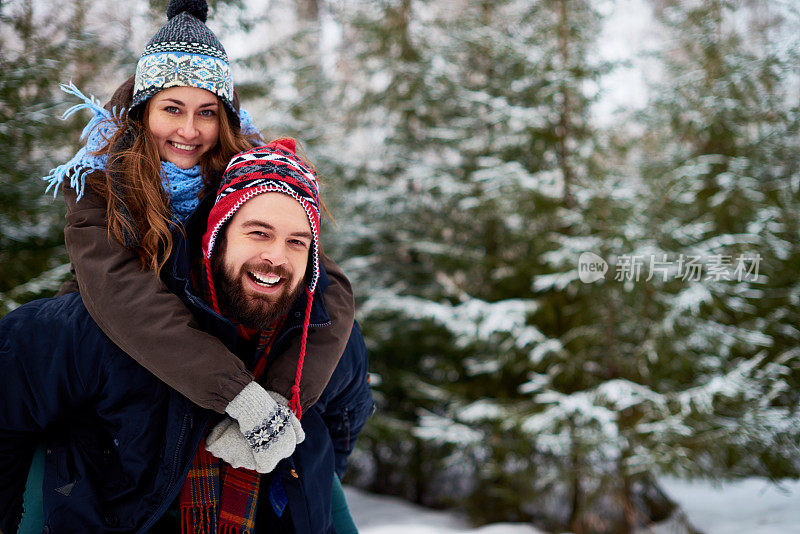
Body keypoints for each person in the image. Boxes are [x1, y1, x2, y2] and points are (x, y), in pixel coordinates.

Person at [43, 0, 354, 471]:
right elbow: (126, 300)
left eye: (206, 112)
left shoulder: (250, 177)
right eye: (173, 108)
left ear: (224, 118)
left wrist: (280, 401)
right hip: (126, 365)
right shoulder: (101, 183)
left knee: (351, 356)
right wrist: (240, 397)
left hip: (227, 367)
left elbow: (327, 289)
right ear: (144, 110)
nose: (189, 131)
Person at [1, 140, 373, 533]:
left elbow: (344, 425)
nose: (277, 257)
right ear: (218, 235)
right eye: (259, 233)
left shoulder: (324, 338)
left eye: (297, 241)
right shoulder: (110, 325)